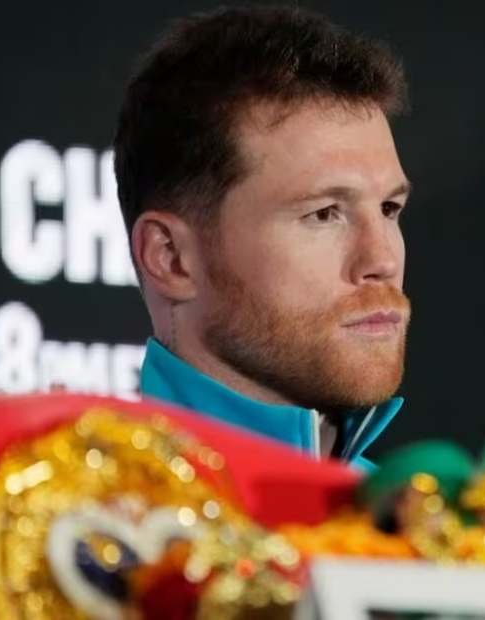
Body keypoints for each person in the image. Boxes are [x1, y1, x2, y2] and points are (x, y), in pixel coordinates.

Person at [112, 5, 412, 471]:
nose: (382, 259)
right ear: (170, 257)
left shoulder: (414, 512)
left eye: (389, 208)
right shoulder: (80, 505)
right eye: (324, 214)